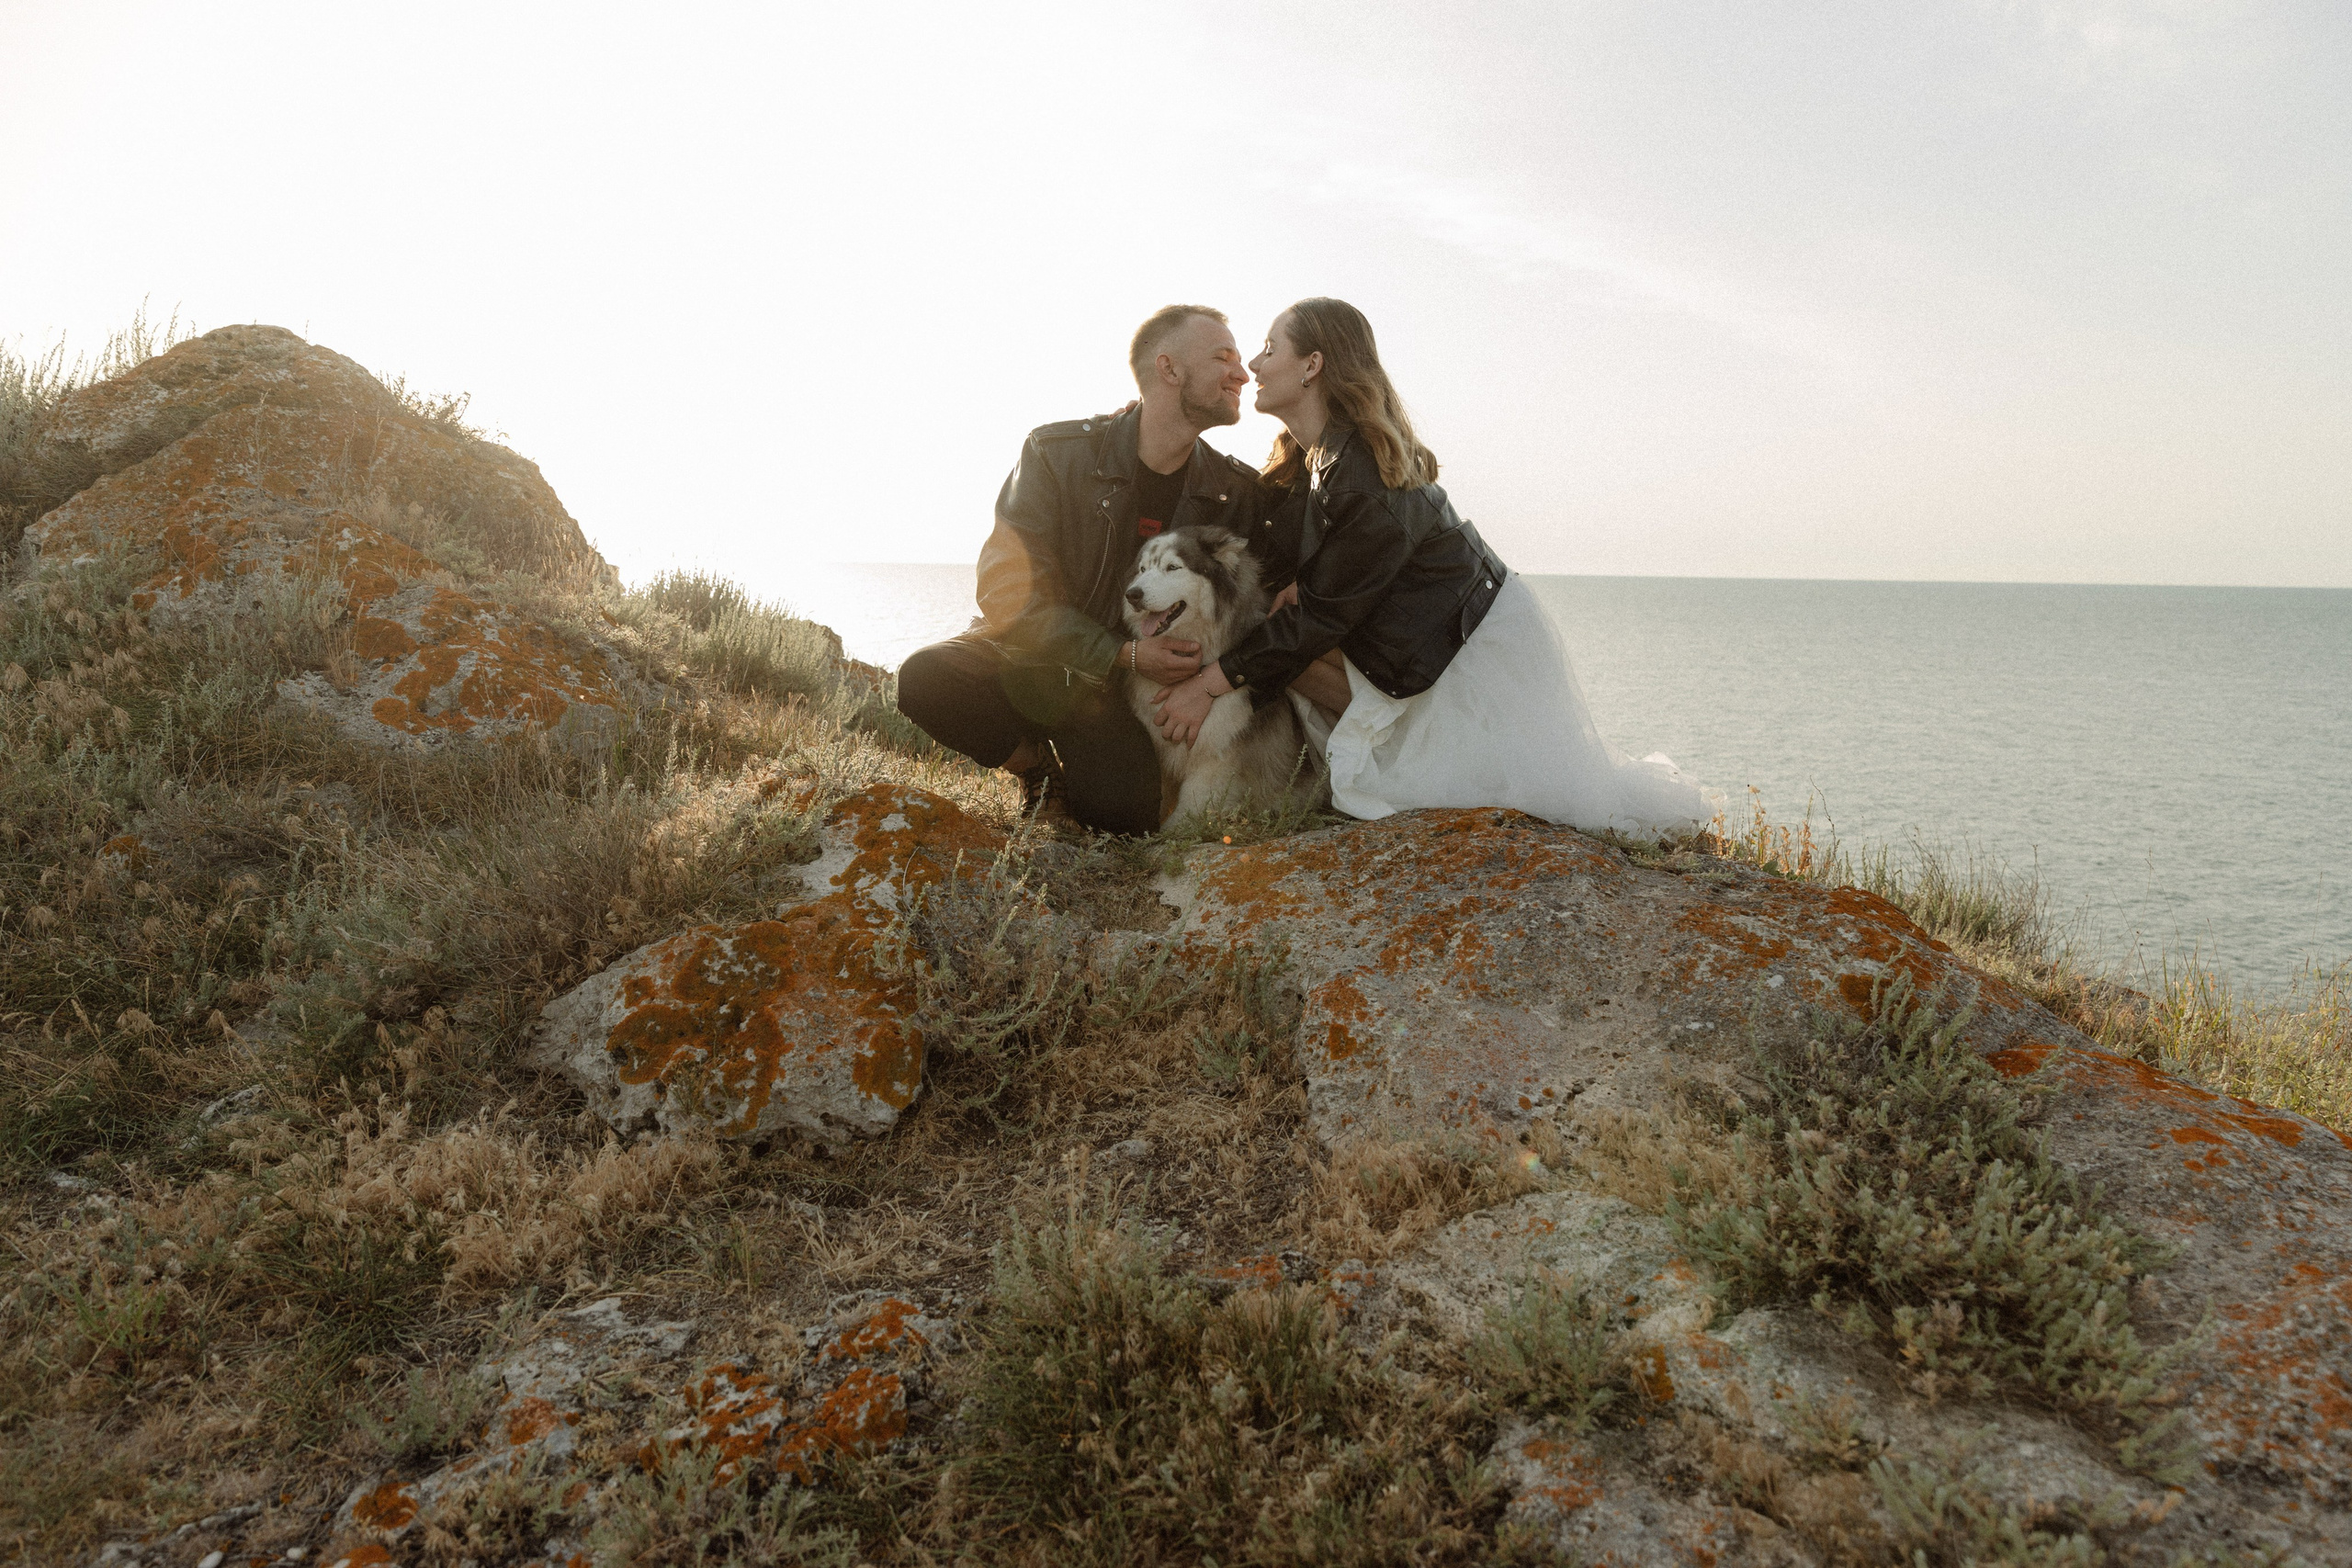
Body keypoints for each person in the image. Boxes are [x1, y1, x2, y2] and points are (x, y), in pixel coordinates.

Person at [1151, 297, 1722, 838]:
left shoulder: (1362, 475)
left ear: (1312, 366)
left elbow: (1316, 621)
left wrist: (1207, 684)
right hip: (1413, 636)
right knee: (1261, 631)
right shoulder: (1316, 455)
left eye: (1270, 349)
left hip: (1463, 646)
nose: (1253, 365)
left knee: (1267, 645)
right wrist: (1150, 428)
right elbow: (1270, 525)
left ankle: (1345, 762)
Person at [896, 305, 1301, 833]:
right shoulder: (1056, 454)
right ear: (1169, 368)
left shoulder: (1235, 493)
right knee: (925, 679)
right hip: (1034, 657)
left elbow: (1268, 602)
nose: (1242, 373)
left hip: (1121, 700)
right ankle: (1036, 770)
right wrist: (1120, 653)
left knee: (1119, 820)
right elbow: (1003, 588)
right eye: (1223, 357)